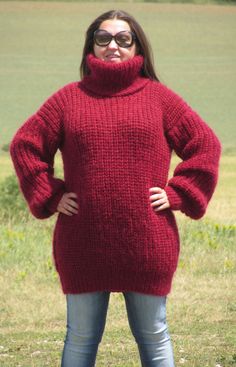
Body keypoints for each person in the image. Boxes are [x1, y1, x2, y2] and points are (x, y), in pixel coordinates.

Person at [10, 9, 221, 367]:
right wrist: (51, 194)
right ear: (91, 45)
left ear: (137, 46)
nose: (113, 45)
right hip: (82, 241)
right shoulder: (67, 99)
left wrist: (178, 193)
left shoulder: (160, 98)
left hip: (147, 242)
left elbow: (206, 144)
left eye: (124, 39)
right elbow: (24, 145)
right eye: (103, 37)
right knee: (80, 338)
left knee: (154, 336)